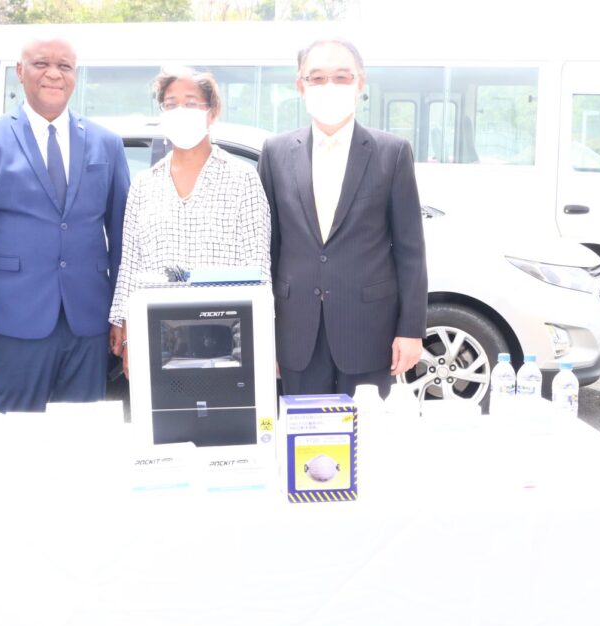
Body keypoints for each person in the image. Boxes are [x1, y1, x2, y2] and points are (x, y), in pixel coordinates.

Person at [0, 37, 130, 412]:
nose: (53, 74)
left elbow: (125, 240)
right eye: (41, 64)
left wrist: (123, 315)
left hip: (88, 322)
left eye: (64, 66)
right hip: (14, 321)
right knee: (15, 436)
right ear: (20, 71)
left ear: (75, 75)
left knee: (81, 435)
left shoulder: (107, 144)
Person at [257, 38, 428, 398]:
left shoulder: (392, 152)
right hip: (296, 328)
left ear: (360, 83)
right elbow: (267, 249)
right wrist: (263, 330)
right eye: (317, 78)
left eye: (341, 77)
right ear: (300, 85)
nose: (329, 86)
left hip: (368, 327)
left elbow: (410, 251)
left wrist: (411, 330)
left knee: (365, 429)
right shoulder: (275, 152)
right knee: (303, 430)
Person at [108, 67, 271, 377]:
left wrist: (261, 339)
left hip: (226, 337)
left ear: (212, 112)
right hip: (156, 335)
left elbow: (259, 268)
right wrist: (124, 326)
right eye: (171, 104)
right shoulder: (144, 184)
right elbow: (130, 263)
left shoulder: (243, 179)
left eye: (191, 103)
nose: (180, 112)